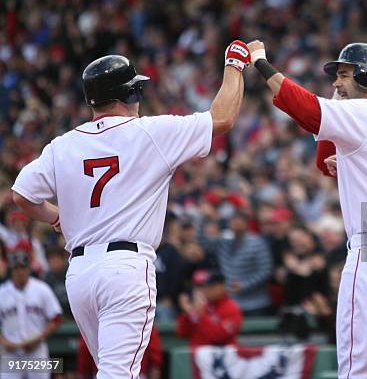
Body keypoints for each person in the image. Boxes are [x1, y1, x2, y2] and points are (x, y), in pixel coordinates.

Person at [10, 40, 250, 379]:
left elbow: (21, 195)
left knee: (114, 372)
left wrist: (56, 217)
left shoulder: (61, 145)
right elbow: (222, 118)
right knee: (118, 374)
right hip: (126, 267)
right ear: (130, 95)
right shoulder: (150, 132)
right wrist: (235, 63)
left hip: (79, 272)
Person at [248, 40, 367, 378]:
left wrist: (262, 63)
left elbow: (302, 107)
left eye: (344, 74)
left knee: (359, 372)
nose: (337, 83)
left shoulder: (363, 112)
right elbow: (325, 162)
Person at [0, 250, 62, 379]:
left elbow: (56, 318)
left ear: (28, 269)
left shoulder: (41, 289)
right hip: (11, 353)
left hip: (36, 351)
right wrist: (4, 341)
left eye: (22, 267)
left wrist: (38, 338)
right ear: (11, 270)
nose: (20, 271)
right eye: (16, 268)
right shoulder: (2, 292)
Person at [215, 211, 274, 316]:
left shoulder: (257, 243)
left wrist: (244, 285)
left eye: (239, 221)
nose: (236, 224)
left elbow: (266, 271)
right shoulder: (224, 242)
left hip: (256, 305)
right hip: (232, 304)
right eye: (233, 221)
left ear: (247, 224)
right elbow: (203, 242)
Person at [176, 270, 243, 347]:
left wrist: (201, 316)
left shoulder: (231, 309)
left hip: (221, 356)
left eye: (209, 286)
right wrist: (187, 313)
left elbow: (217, 337)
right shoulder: (201, 305)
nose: (204, 290)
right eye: (202, 287)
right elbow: (181, 333)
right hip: (197, 355)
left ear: (220, 287)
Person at [77, 324, 163, 379]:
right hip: (105, 373)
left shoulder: (96, 321)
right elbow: (84, 355)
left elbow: (155, 359)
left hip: (133, 373)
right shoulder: (141, 317)